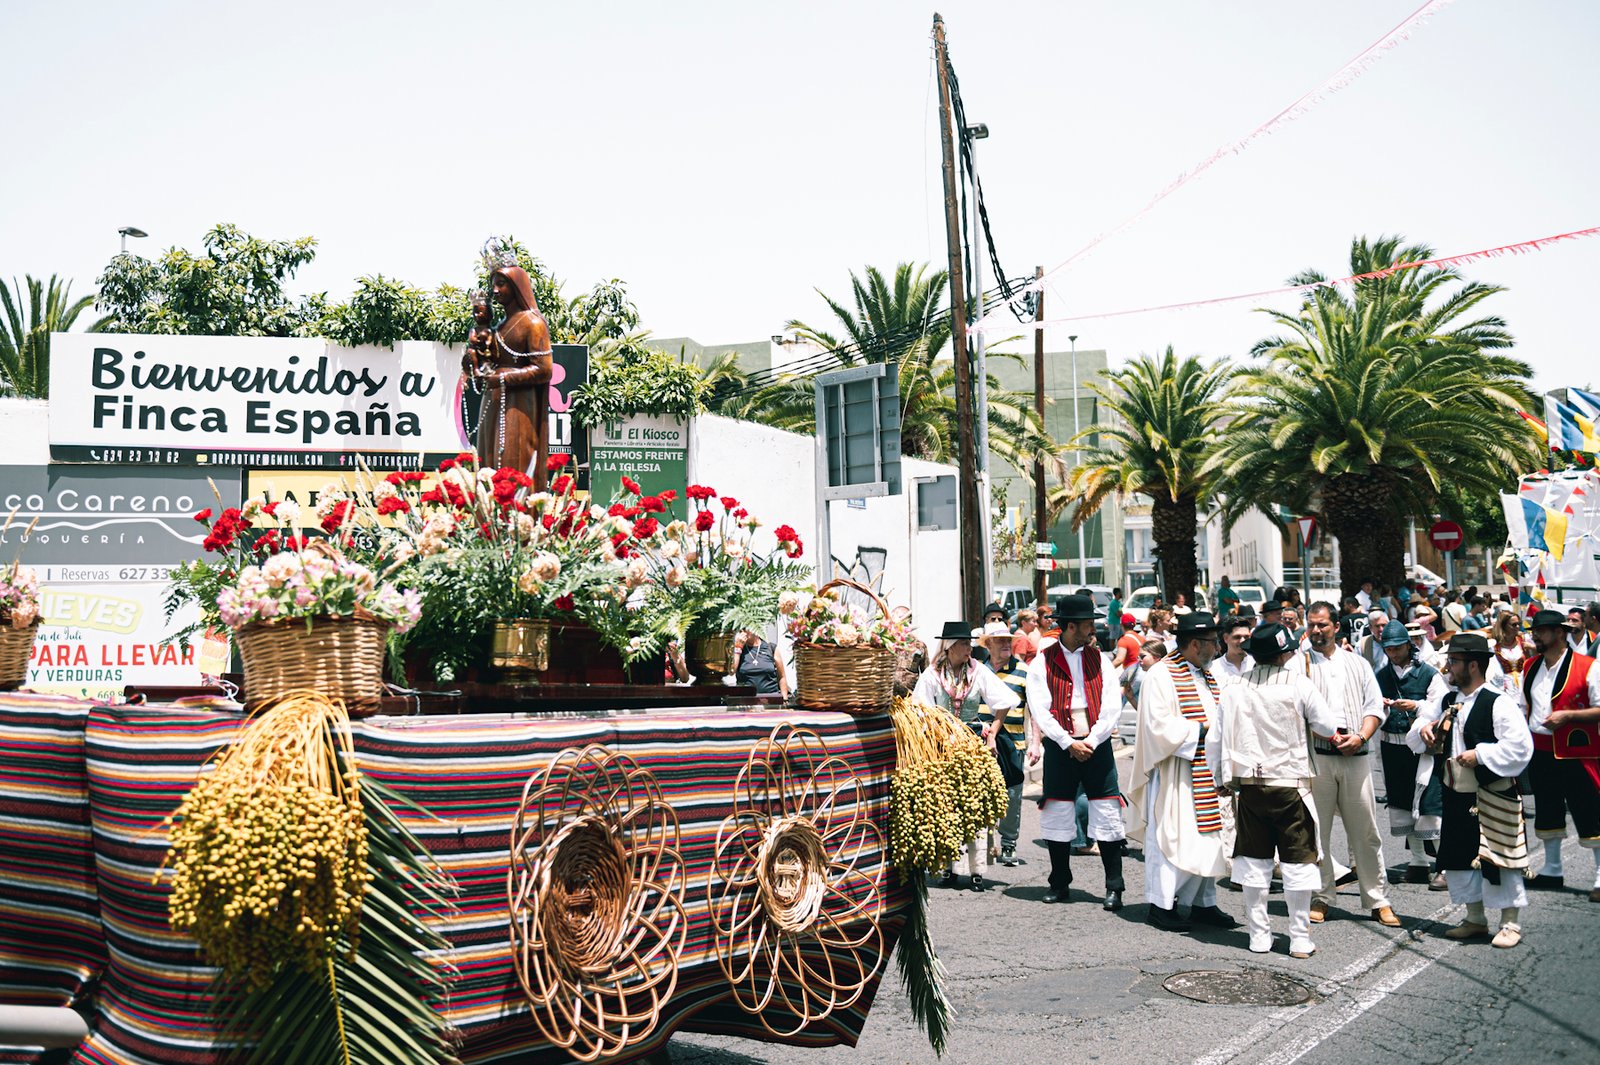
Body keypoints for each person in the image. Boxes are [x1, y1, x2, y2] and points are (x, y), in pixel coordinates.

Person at [1209, 622, 1344, 957]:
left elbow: (1216, 738)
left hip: (1250, 786)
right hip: (1290, 784)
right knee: (1298, 861)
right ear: (1285, 654)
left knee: (1254, 862)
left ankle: (1259, 935)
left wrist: (1218, 779)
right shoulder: (1298, 683)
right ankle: (1299, 938)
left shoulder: (1234, 686)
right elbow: (1327, 726)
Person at [1409, 633, 1535, 947]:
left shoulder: (1498, 702)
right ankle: (1475, 918)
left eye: (1454, 661)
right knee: (1461, 855)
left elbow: (1521, 747)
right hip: (1457, 791)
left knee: (1499, 857)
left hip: (1492, 792)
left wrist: (1480, 755)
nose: (1448, 666)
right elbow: (1422, 720)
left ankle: (1509, 923)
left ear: (1474, 665)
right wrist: (1424, 727)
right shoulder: (1448, 699)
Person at [1128, 612, 1237, 932]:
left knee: (1208, 838)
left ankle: (1204, 902)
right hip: (1177, 770)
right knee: (1170, 838)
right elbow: (1157, 726)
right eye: (1212, 643)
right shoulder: (1161, 676)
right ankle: (1161, 905)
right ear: (1194, 644)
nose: (1217, 648)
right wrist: (1205, 729)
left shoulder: (1207, 674)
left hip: (1206, 769)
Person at [1025, 595, 1127, 908]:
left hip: (1096, 743)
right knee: (1058, 810)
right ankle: (1059, 882)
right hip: (1060, 745)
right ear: (1071, 627)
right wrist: (1067, 742)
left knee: (1107, 811)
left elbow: (1111, 704)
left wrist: (1093, 740)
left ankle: (1114, 886)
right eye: (1087, 624)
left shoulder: (1100, 659)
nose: (1092, 629)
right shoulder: (1043, 660)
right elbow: (1039, 707)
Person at [1302, 602, 1400, 927]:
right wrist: (1329, 737)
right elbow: (1295, 711)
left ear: (1336, 626)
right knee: (1318, 834)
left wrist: (1360, 737)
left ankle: (1377, 899)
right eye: (1312, 625)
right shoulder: (1299, 666)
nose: (1317, 631)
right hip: (1319, 758)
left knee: (1366, 832)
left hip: (1356, 756)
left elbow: (1375, 707)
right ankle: (1322, 897)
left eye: (1323, 625)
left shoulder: (1358, 664)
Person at [914, 622, 1020, 891]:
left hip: (973, 743)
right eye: (963, 643)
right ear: (949, 647)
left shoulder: (978, 671)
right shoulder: (932, 674)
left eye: (969, 643)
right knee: (947, 807)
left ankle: (976, 870)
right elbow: (920, 711)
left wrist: (993, 733)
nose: (968, 648)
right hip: (942, 747)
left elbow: (1004, 700)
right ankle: (948, 868)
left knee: (973, 805)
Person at [1514, 609, 1600, 898]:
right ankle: (1552, 869)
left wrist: (1568, 717)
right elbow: (1524, 707)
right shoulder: (1530, 666)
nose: (1535, 635)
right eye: (1534, 630)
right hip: (1540, 749)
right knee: (1548, 809)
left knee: (1589, 811)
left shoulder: (1588, 666)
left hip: (1576, 750)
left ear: (1560, 633)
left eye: (1542, 630)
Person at [1373, 620, 1448, 884]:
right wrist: (1381, 707)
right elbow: (1370, 709)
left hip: (1422, 748)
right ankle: (1418, 862)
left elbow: (1441, 705)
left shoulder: (1429, 673)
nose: (1393, 653)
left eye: (1397, 647)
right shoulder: (1380, 676)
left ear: (1409, 644)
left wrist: (1416, 706)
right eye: (1388, 649)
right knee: (1401, 801)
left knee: (1429, 802)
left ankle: (1445, 866)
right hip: (1391, 746)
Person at [479, 264, 555, 486]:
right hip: (494, 400)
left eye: (501, 284)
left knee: (514, 459)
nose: (495, 290)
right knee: (490, 462)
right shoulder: (499, 327)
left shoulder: (533, 323)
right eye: (493, 284)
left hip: (519, 405)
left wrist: (502, 378)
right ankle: (490, 517)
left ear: (516, 287)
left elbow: (544, 369)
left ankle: (519, 516)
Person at [977, 623, 1031, 868]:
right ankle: (986, 845)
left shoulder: (1023, 670)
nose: (1007, 644)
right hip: (979, 744)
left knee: (1011, 794)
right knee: (980, 795)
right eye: (1000, 641)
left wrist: (1037, 742)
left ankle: (1009, 843)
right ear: (988, 644)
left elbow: (1035, 709)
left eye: (1008, 640)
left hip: (1014, 742)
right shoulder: (977, 670)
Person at [732, 628, 789, 698]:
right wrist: (738, 648)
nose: (743, 632)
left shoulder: (770, 648)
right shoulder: (739, 650)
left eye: (745, 629)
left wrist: (785, 698)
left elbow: (782, 677)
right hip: (746, 701)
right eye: (741, 630)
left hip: (771, 699)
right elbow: (732, 670)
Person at [1215, 615, 1255, 685]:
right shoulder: (1214, 668)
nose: (1242, 641)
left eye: (1246, 637)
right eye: (1237, 637)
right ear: (1226, 638)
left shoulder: (1256, 664)